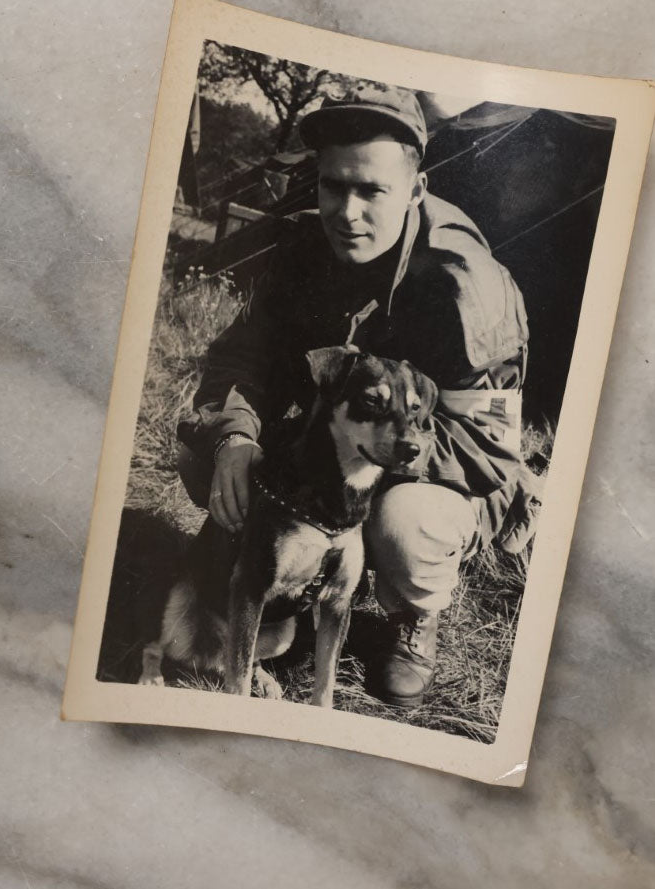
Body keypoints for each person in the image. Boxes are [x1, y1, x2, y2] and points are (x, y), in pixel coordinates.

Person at [176, 85, 536, 707]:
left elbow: (487, 450)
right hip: (346, 449)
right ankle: (283, 585)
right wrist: (236, 436)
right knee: (207, 455)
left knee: (406, 524)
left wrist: (369, 460)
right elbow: (242, 360)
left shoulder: (467, 287)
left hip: (439, 473)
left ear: (415, 191)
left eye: (371, 190)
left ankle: (413, 617)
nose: (346, 212)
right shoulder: (302, 247)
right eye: (332, 186)